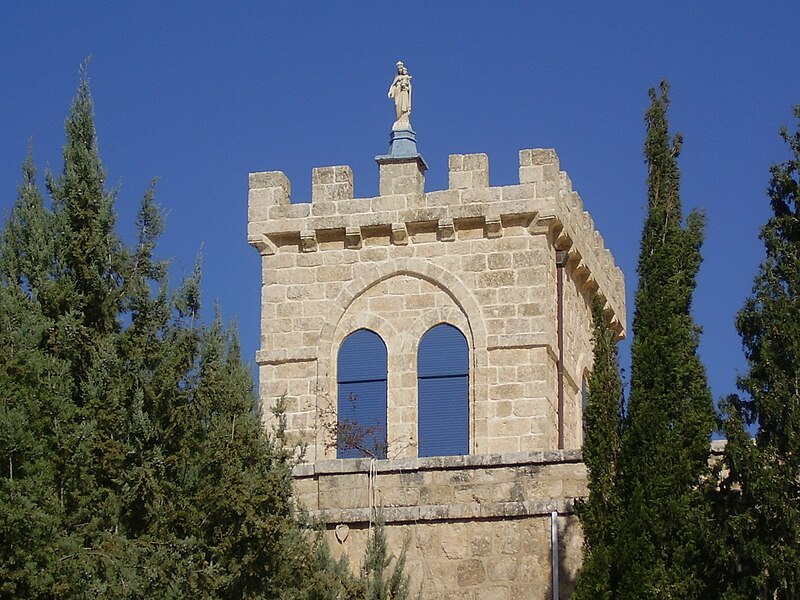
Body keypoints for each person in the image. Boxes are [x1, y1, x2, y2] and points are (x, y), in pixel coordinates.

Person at [388, 61, 412, 128]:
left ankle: (404, 119)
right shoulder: (397, 77)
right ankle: (399, 119)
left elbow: (410, 87)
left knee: (404, 106)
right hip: (398, 93)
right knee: (397, 105)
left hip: (404, 93)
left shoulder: (406, 77)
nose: (400, 70)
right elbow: (393, 85)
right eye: (399, 69)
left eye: (401, 69)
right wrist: (390, 91)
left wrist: (406, 87)